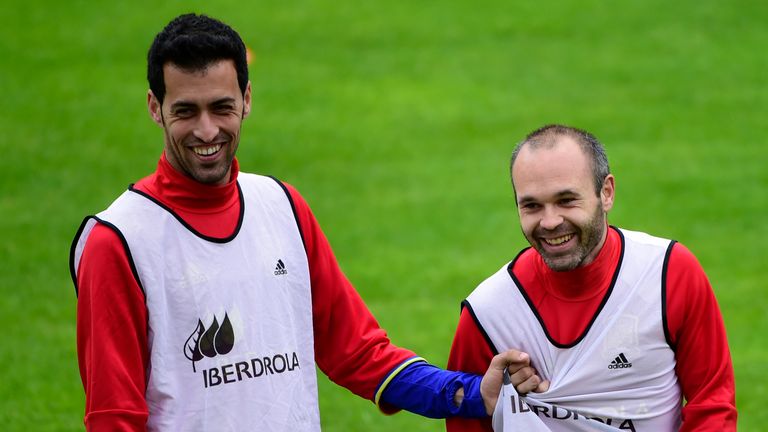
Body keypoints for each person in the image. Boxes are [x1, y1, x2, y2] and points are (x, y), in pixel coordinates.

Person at [69, 13, 512, 431]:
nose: (206, 131)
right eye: (186, 111)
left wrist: (469, 392)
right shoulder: (118, 242)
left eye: (221, 107)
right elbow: (113, 416)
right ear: (154, 107)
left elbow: (358, 351)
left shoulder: (282, 206)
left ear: (246, 100)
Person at [445, 125, 737, 431]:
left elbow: (712, 404)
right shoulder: (489, 312)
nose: (550, 221)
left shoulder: (669, 274)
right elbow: (465, 421)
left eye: (566, 200)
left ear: (606, 192)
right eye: (532, 205)